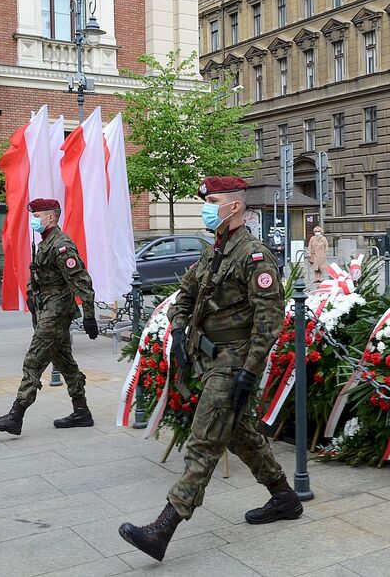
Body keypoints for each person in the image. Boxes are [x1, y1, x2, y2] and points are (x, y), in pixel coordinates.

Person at [118, 177, 300, 562]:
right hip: (208, 358)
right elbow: (181, 298)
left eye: (212, 200)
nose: (205, 206)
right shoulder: (213, 252)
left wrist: (250, 371)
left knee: (203, 441)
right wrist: (182, 331)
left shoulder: (254, 255)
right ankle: (285, 498)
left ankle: (163, 528)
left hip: (235, 361)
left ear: (234, 207)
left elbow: (269, 322)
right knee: (239, 434)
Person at [0, 198, 99, 436]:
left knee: (33, 361)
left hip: (56, 313)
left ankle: (16, 416)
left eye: (37, 216)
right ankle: (82, 411)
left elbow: (81, 281)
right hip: (47, 309)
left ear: (51, 218)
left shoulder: (61, 246)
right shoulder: (46, 242)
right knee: (65, 362)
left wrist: (89, 316)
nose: (34, 221)